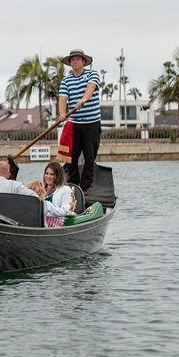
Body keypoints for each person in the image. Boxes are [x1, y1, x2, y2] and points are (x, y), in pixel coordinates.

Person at [57, 48, 101, 191]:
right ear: (70, 63)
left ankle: (85, 187)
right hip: (74, 123)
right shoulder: (66, 80)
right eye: (72, 59)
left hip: (91, 123)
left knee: (89, 156)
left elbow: (91, 87)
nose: (75, 61)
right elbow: (63, 98)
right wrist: (63, 114)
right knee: (71, 157)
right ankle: (74, 184)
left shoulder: (92, 74)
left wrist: (83, 99)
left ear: (83, 61)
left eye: (77, 59)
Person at [43, 161, 75, 228]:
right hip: (42, 221)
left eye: (52, 174)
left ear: (58, 176)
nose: (48, 176)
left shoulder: (65, 189)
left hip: (56, 224)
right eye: (46, 173)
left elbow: (64, 212)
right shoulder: (41, 188)